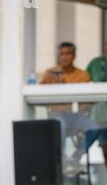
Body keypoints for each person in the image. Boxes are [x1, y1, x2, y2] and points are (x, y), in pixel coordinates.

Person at [40, 42, 98, 170]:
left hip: (76, 116)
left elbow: (88, 99)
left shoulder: (83, 75)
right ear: (58, 56)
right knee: (60, 126)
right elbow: (40, 93)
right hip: (56, 114)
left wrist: (83, 110)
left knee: (95, 128)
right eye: (61, 54)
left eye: (68, 54)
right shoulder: (50, 73)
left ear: (74, 56)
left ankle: (76, 157)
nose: (64, 57)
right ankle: (63, 160)